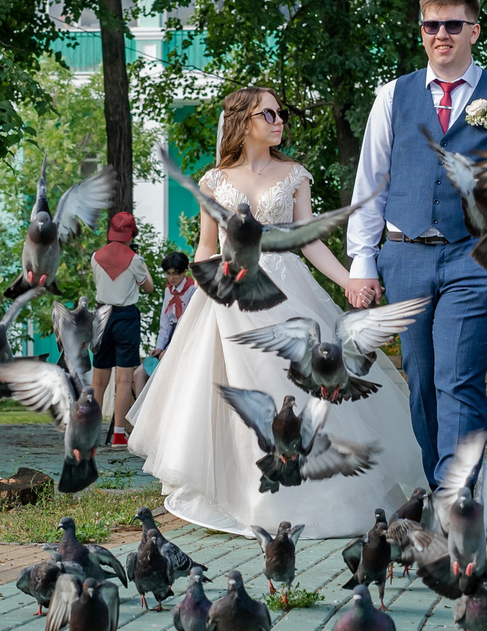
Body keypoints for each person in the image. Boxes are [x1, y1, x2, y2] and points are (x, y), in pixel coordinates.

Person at [127, 86, 427, 537]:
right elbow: (206, 248)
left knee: (295, 390)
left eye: (279, 113)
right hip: (228, 295)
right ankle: (246, 501)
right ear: (244, 120)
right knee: (239, 394)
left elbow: (308, 238)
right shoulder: (214, 180)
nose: (278, 119)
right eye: (267, 113)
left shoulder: (294, 175)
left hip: (286, 292)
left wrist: (348, 280)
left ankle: (315, 501)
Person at [346, 0, 487, 482]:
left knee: (458, 378)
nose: (442, 34)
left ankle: (455, 493)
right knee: (422, 379)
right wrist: (362, 261)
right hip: (405, 254)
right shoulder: (392, 96)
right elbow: (371, 184)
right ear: (422, 33)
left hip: (477, 257)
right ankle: (442, 478)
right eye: (432, 26)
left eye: (453, 25)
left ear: (473, 31)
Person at [89, 211, 154, 446]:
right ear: (131, 233)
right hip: (126, 317)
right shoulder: (135, 260)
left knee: (98, 381)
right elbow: (149, 288)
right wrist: (140, 261)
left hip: (101, 316)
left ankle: (91, 433)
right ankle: (118, 434)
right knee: (124, 380)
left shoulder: (96, 257)